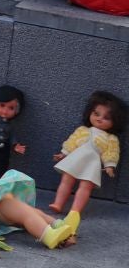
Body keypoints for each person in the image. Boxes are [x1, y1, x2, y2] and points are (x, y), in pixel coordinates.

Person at [50, 90, 125, 218]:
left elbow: (111, 152)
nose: (99, 119)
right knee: (66, 180)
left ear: (115, 122)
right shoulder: (82, 130)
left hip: (93, 162)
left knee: (86, 186)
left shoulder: (111, 138)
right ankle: (58, 203)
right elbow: (72, 142)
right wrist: (64, 153)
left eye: (106, 118)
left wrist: (109, 165)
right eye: (96, 114)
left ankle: (75, 211)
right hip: (76, 157)